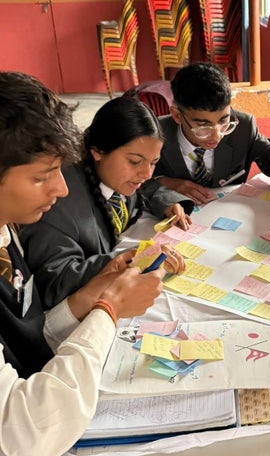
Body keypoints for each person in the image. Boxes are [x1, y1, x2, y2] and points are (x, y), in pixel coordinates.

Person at [0, 71, 172, 456]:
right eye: (42, 176)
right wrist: (107, 312)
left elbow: (30, 333)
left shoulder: (7, 233)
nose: (61, 190)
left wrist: (92, 294)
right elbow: (26, 436)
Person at [21, 95, 193, 308]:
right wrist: (130, 258)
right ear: (98, 151)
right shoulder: (57, 204)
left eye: (153, 163)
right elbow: (54, 284)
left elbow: (147, 186)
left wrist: (168, 203)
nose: (147, 173)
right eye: (135, 161)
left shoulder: (117, 175)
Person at [143, 62, 270, 240]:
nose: (217, 135)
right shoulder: (154, 135)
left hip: (229, 229)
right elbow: (136, 183)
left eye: (224, 121)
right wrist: (165, 185)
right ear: (177, 115)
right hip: (180, 230)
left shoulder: (243, 127)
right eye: (203, 125)